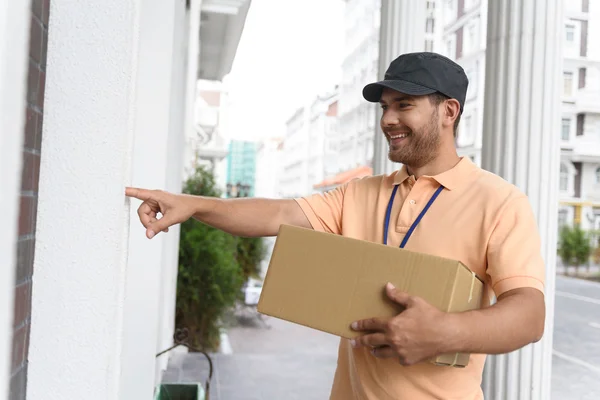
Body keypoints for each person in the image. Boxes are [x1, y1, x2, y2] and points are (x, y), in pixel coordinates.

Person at [126, 52, 546, 400]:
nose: (387, 119)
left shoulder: (500, 202)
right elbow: (277, 215)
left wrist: (445, 332)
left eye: (404, 105)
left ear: (449, 111)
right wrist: (192, 204)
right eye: (385, 107)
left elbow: (529, 315)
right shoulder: (360, 193)